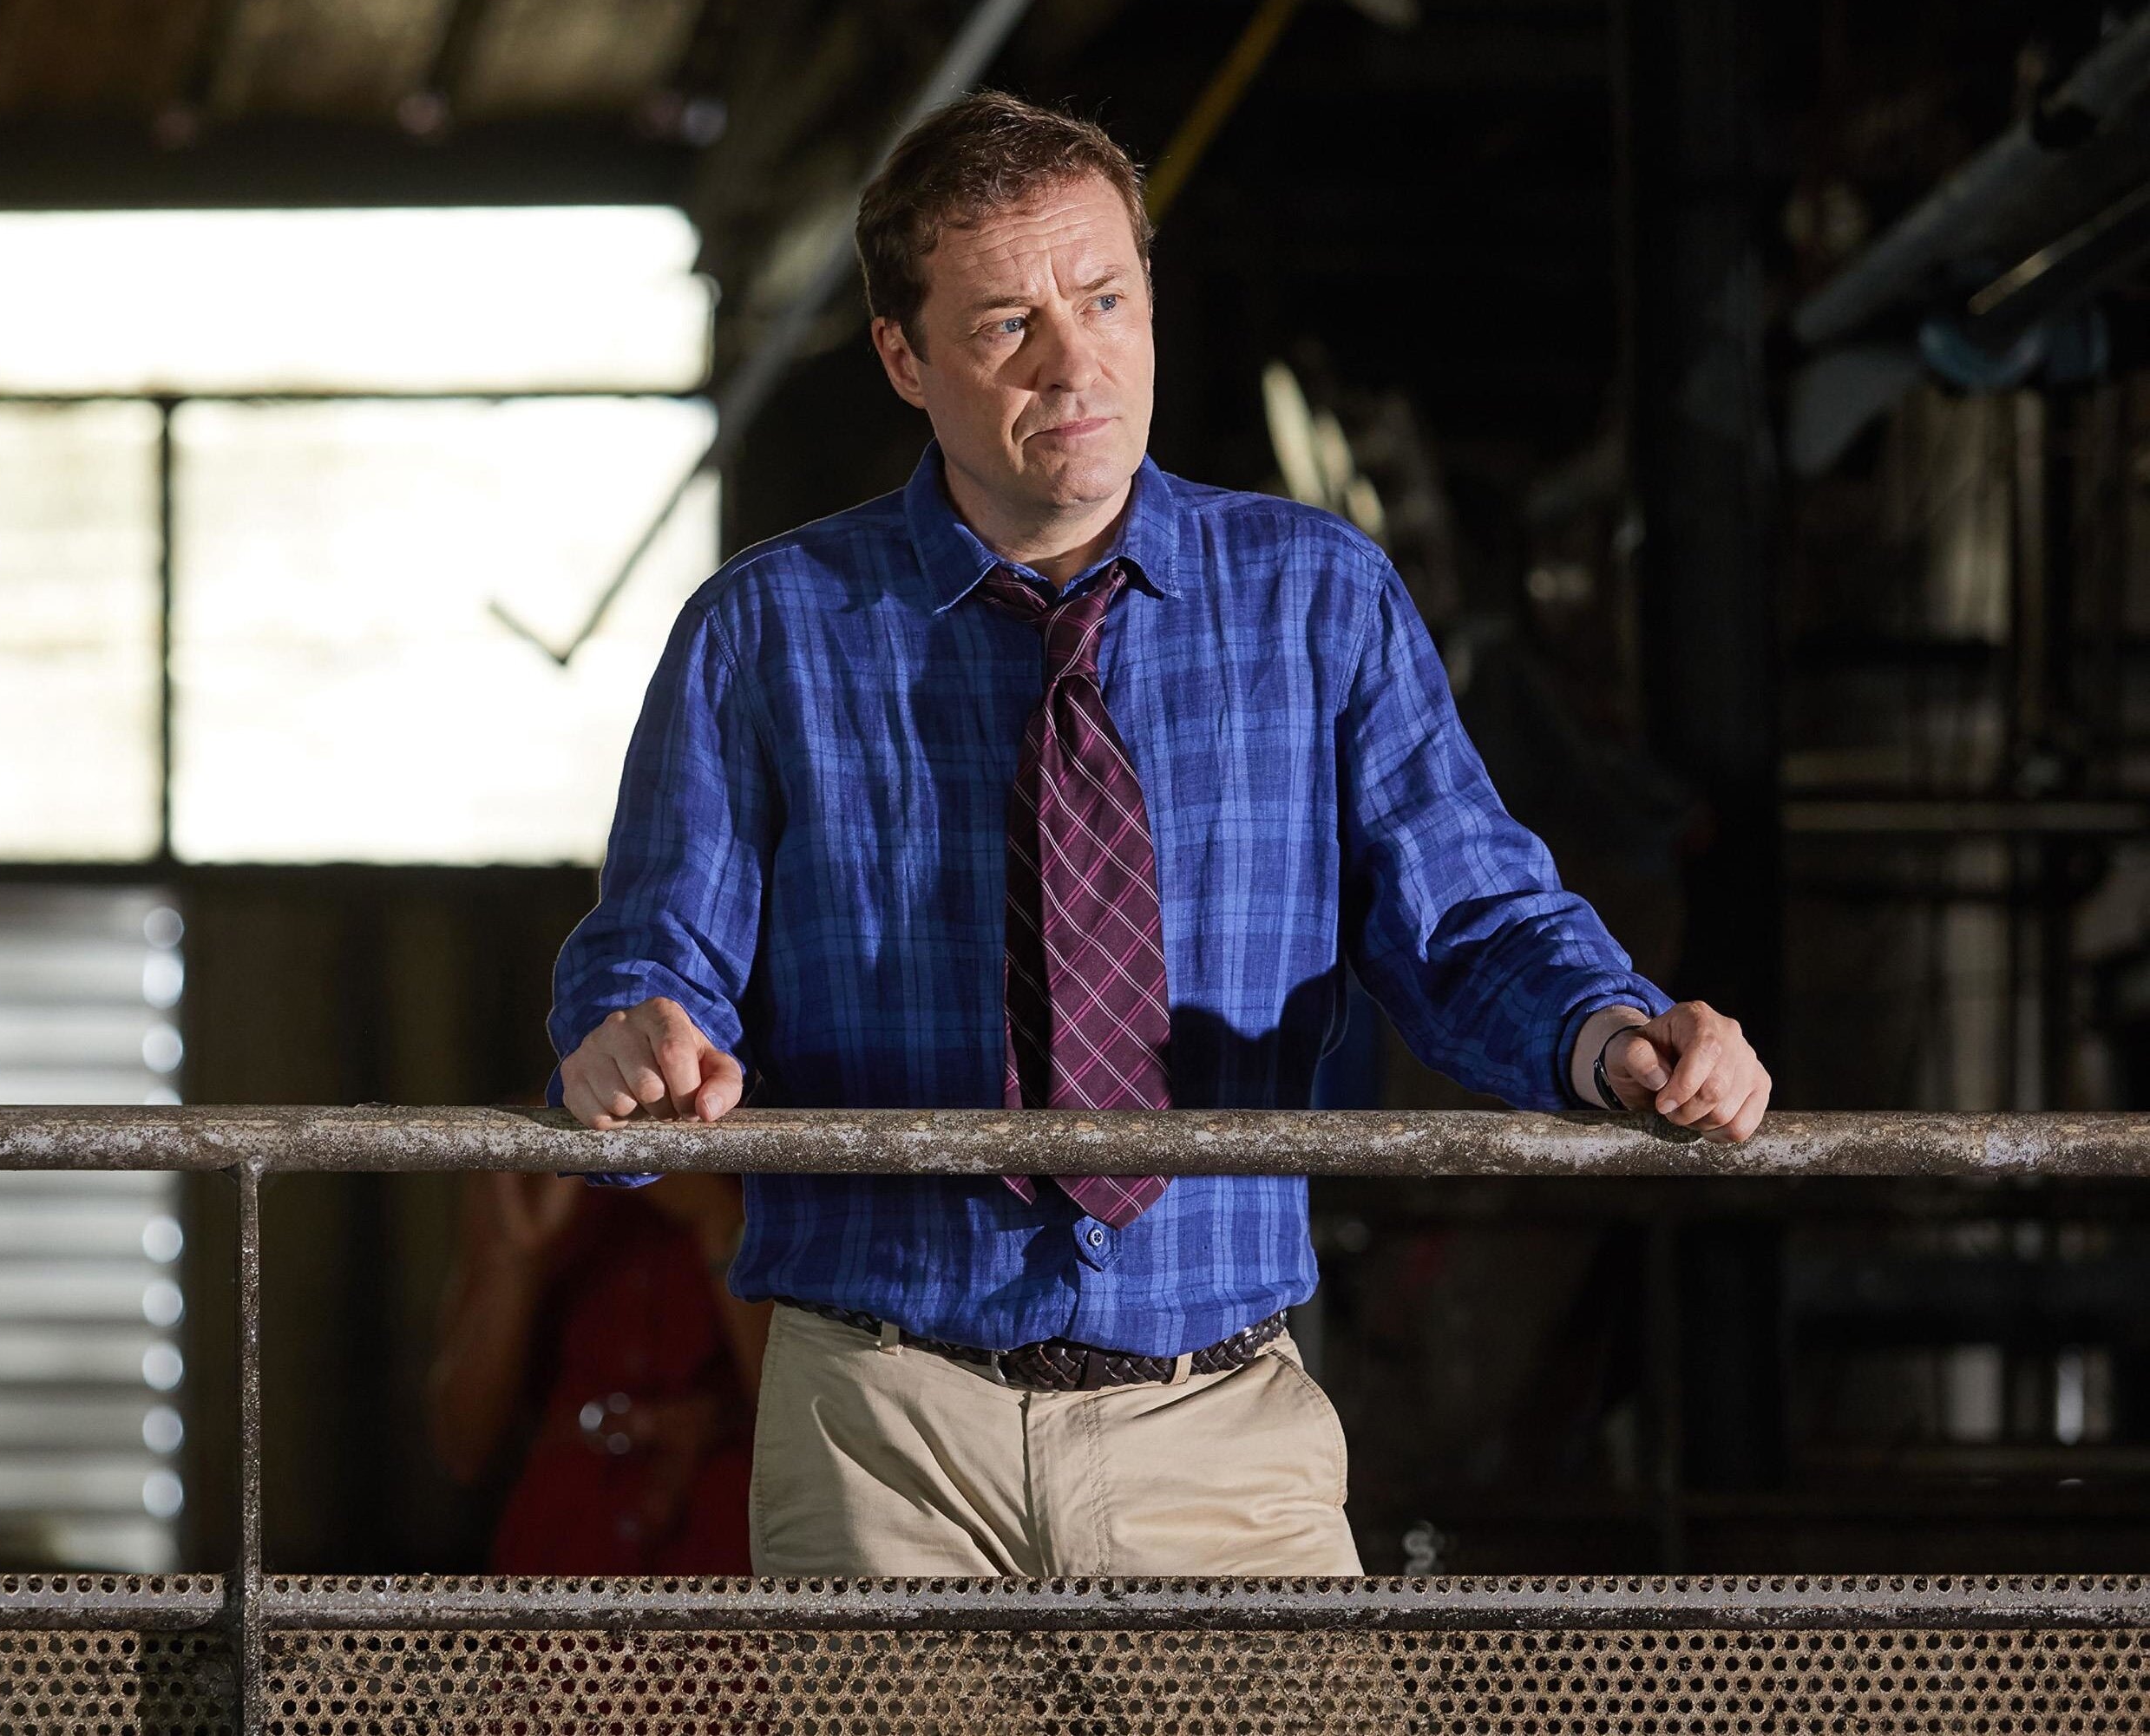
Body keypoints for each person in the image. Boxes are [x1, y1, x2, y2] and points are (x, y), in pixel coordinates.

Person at [547, 92, 1773, 1579]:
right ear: (903, 357)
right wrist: (633, 1040)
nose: (1074, 362)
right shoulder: (766, 630)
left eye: (1106, 299)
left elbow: (1468, 918)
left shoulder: (1316, 598)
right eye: (1006, 324)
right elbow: (654, 957)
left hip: (1221, 1414)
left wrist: (1612, 1031)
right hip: (882, 1428)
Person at [428, 1172, 763, 1573]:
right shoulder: (521, 1172)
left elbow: (797, 1412)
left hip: (728, 1529)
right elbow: (462, 1449)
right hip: (565, 1540)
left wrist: (720, 1217)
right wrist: (520, 1260)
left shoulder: (764, 1161)